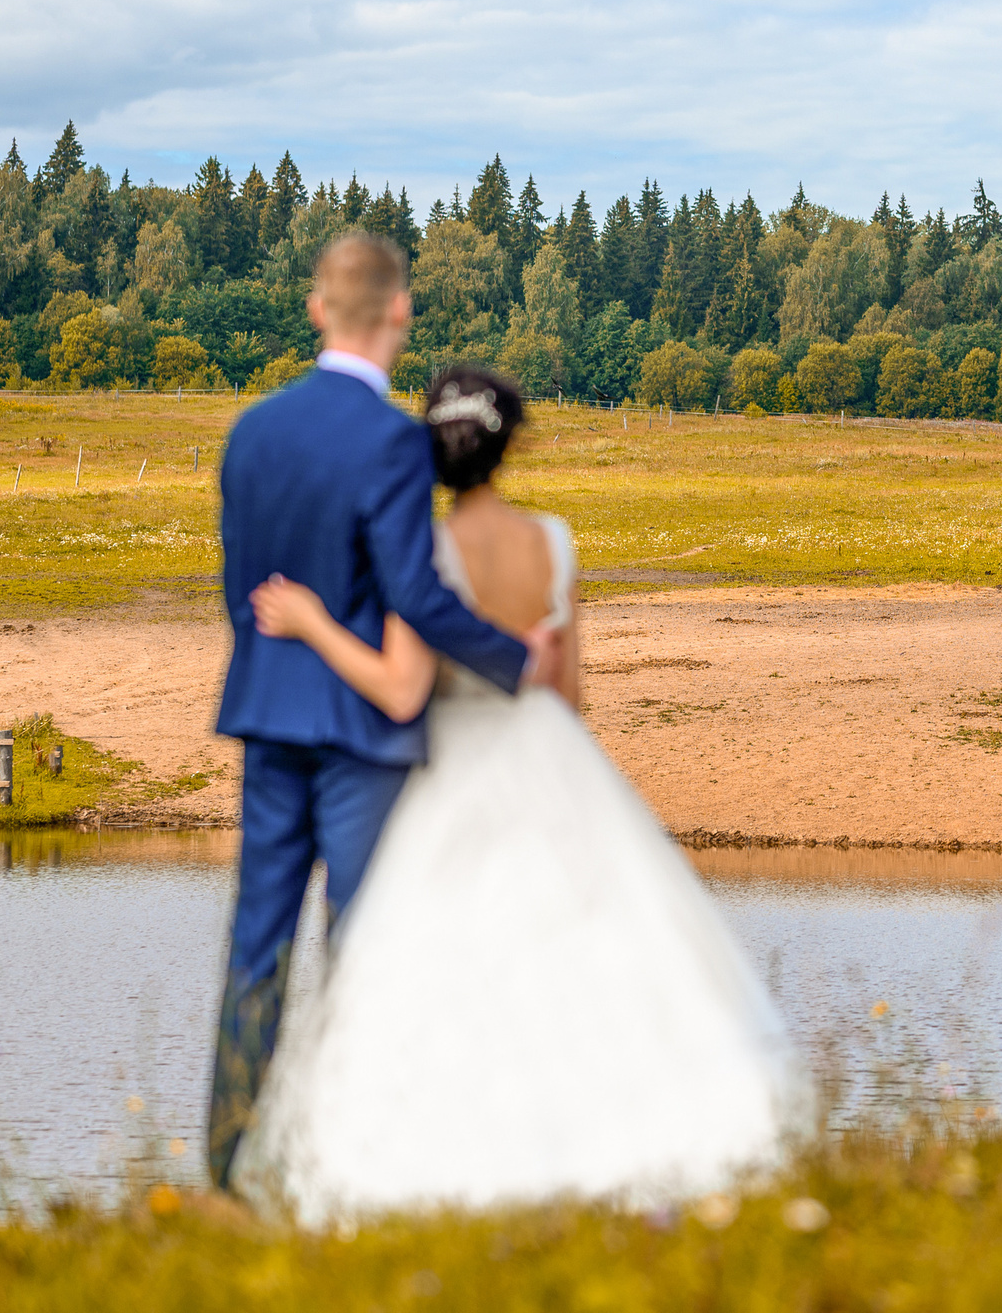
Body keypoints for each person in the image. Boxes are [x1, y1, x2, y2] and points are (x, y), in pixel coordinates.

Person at [228, 363, 807, 1219]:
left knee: (439, 961)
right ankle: (585, 1147)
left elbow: (400, 689)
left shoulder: (421, 550)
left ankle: (433, 1164)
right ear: (508, 446)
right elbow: (569, 698)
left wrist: (313, 623)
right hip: (546, 757)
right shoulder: (554, 541)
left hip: (453, 763)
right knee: (575, 954)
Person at [207, 233, 557, 1193]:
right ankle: (346, 1163)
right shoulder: (394, 443)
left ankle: (227, 1167)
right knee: (359, 942)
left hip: (271, 716)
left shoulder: (252, 432)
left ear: (317, 308)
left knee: (257, 946)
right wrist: (514, 659)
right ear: (398, 311)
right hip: (364, 730)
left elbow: (243, 587)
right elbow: (416, 591)